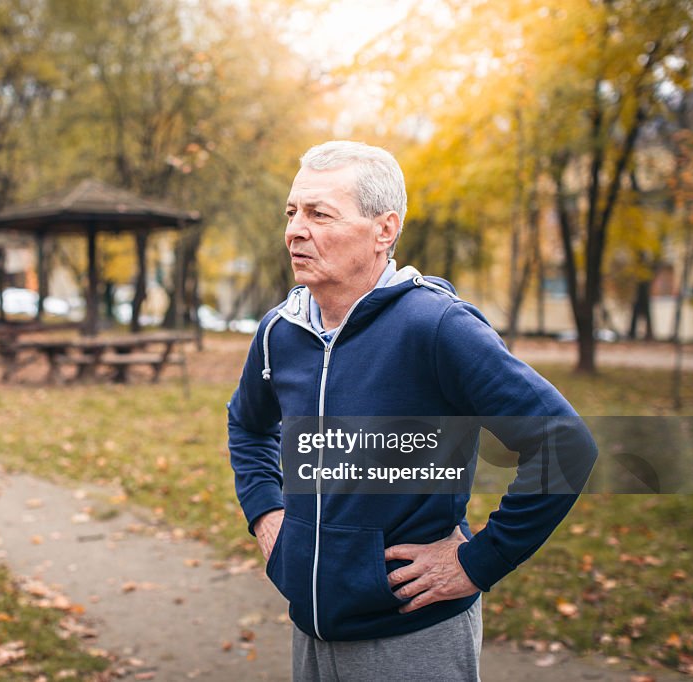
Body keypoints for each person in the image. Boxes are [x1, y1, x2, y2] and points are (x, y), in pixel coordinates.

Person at [227, 140, 598, 681]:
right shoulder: (280, 331)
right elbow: (248, 423)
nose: (295, 230)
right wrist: (266, 512)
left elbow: (565, 443)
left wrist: (480, 561)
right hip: (310, 629)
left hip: (411, 633)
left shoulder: (437, 327)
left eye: (319, 214)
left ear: (384, 230)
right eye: (292, 212)